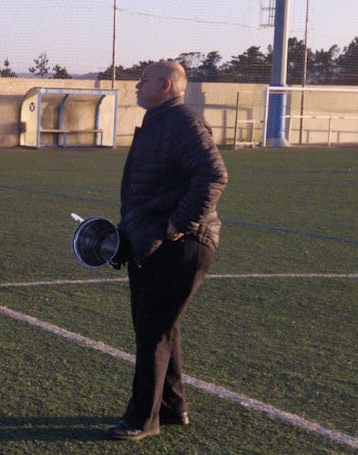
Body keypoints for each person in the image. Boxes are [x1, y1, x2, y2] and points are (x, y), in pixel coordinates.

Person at [106, 60, 228, 440]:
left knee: (153, 330)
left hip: (181, 244)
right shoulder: (163, 122)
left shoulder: (182, 123)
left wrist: (180, 224)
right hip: (155, 240)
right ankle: (173, 408)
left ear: (168, 84)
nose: (136, 86)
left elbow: (214, 174)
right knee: (162, 326)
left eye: (144, 80)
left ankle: (143, 418)